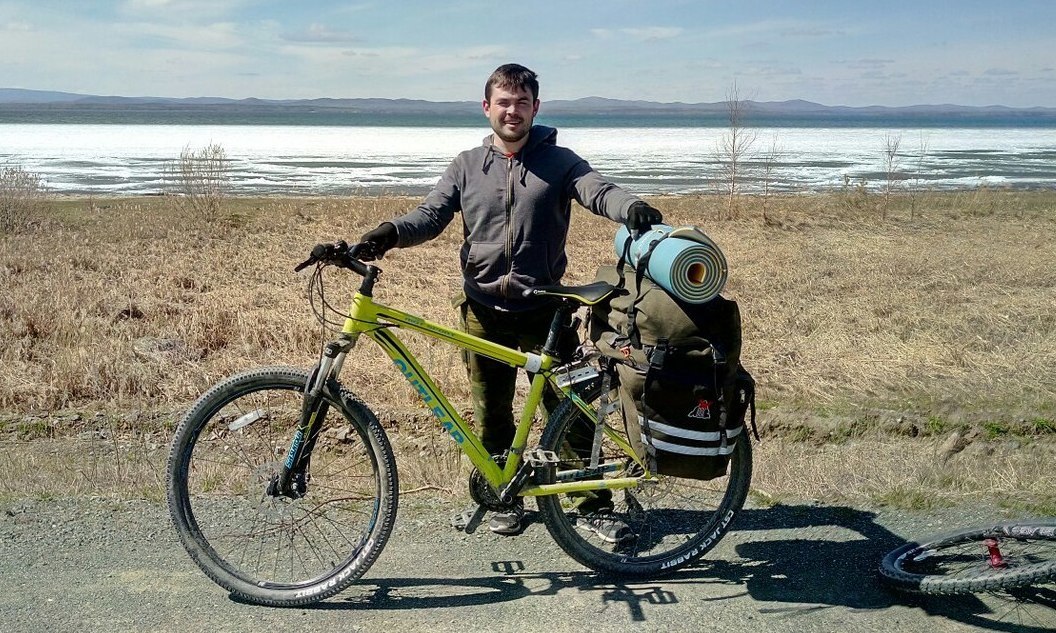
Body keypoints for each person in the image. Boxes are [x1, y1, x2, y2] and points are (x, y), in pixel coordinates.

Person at [354, 63, 662, 537]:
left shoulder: (559, 162)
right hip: (482, 311)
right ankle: (505, 497)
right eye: (503, 102)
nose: (512, 111)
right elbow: (430, 214)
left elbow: (598, 191)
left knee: (568, 409)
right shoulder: (465, 166)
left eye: (521, 102)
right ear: (487, 108)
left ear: (535, 108)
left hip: (545, 310)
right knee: (491, 412)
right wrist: (388, 234)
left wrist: (631, 209)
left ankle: (591, 500)